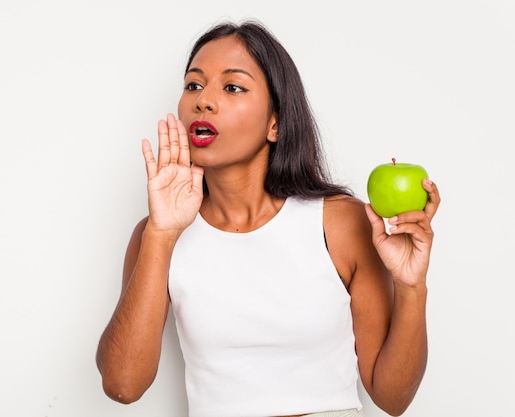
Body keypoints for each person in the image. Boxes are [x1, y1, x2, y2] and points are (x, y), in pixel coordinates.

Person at [96, 19, 440, 417]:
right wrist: (161, 233)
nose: (203, 101)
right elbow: (122, 386)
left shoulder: (340, 223)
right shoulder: (157, 233)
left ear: (275, 122)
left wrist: (411, 287)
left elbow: (393, 399)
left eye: (232, 87)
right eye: (194, 85)